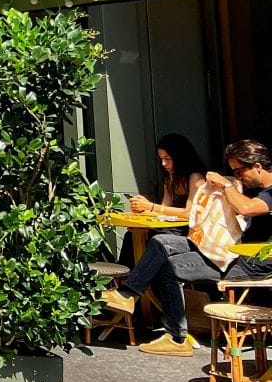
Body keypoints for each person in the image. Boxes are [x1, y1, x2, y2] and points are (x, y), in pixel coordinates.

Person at [103, 139, 272, 356]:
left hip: (249, 265)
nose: (238, 177)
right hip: (228, 250)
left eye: (239, 171)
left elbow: (246, 209)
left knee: (170, 266)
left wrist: (226, 185)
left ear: (257, 166)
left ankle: (176, 338)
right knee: (161, 241)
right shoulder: (254, 189)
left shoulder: (268, 193)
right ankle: (127, 295)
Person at [117, 134, 207, 265]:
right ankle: (125, 273)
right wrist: (142, 209)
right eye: (161, 159)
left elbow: (189, 213)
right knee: (131, 236)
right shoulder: (170, 179)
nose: (164, 163)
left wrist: (150, 206)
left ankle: (137, 275)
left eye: (167, 158)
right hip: (172, 227)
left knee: (153, 238)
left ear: (180, 157)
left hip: (191, 231)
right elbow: (164, 210)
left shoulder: (196, 177)